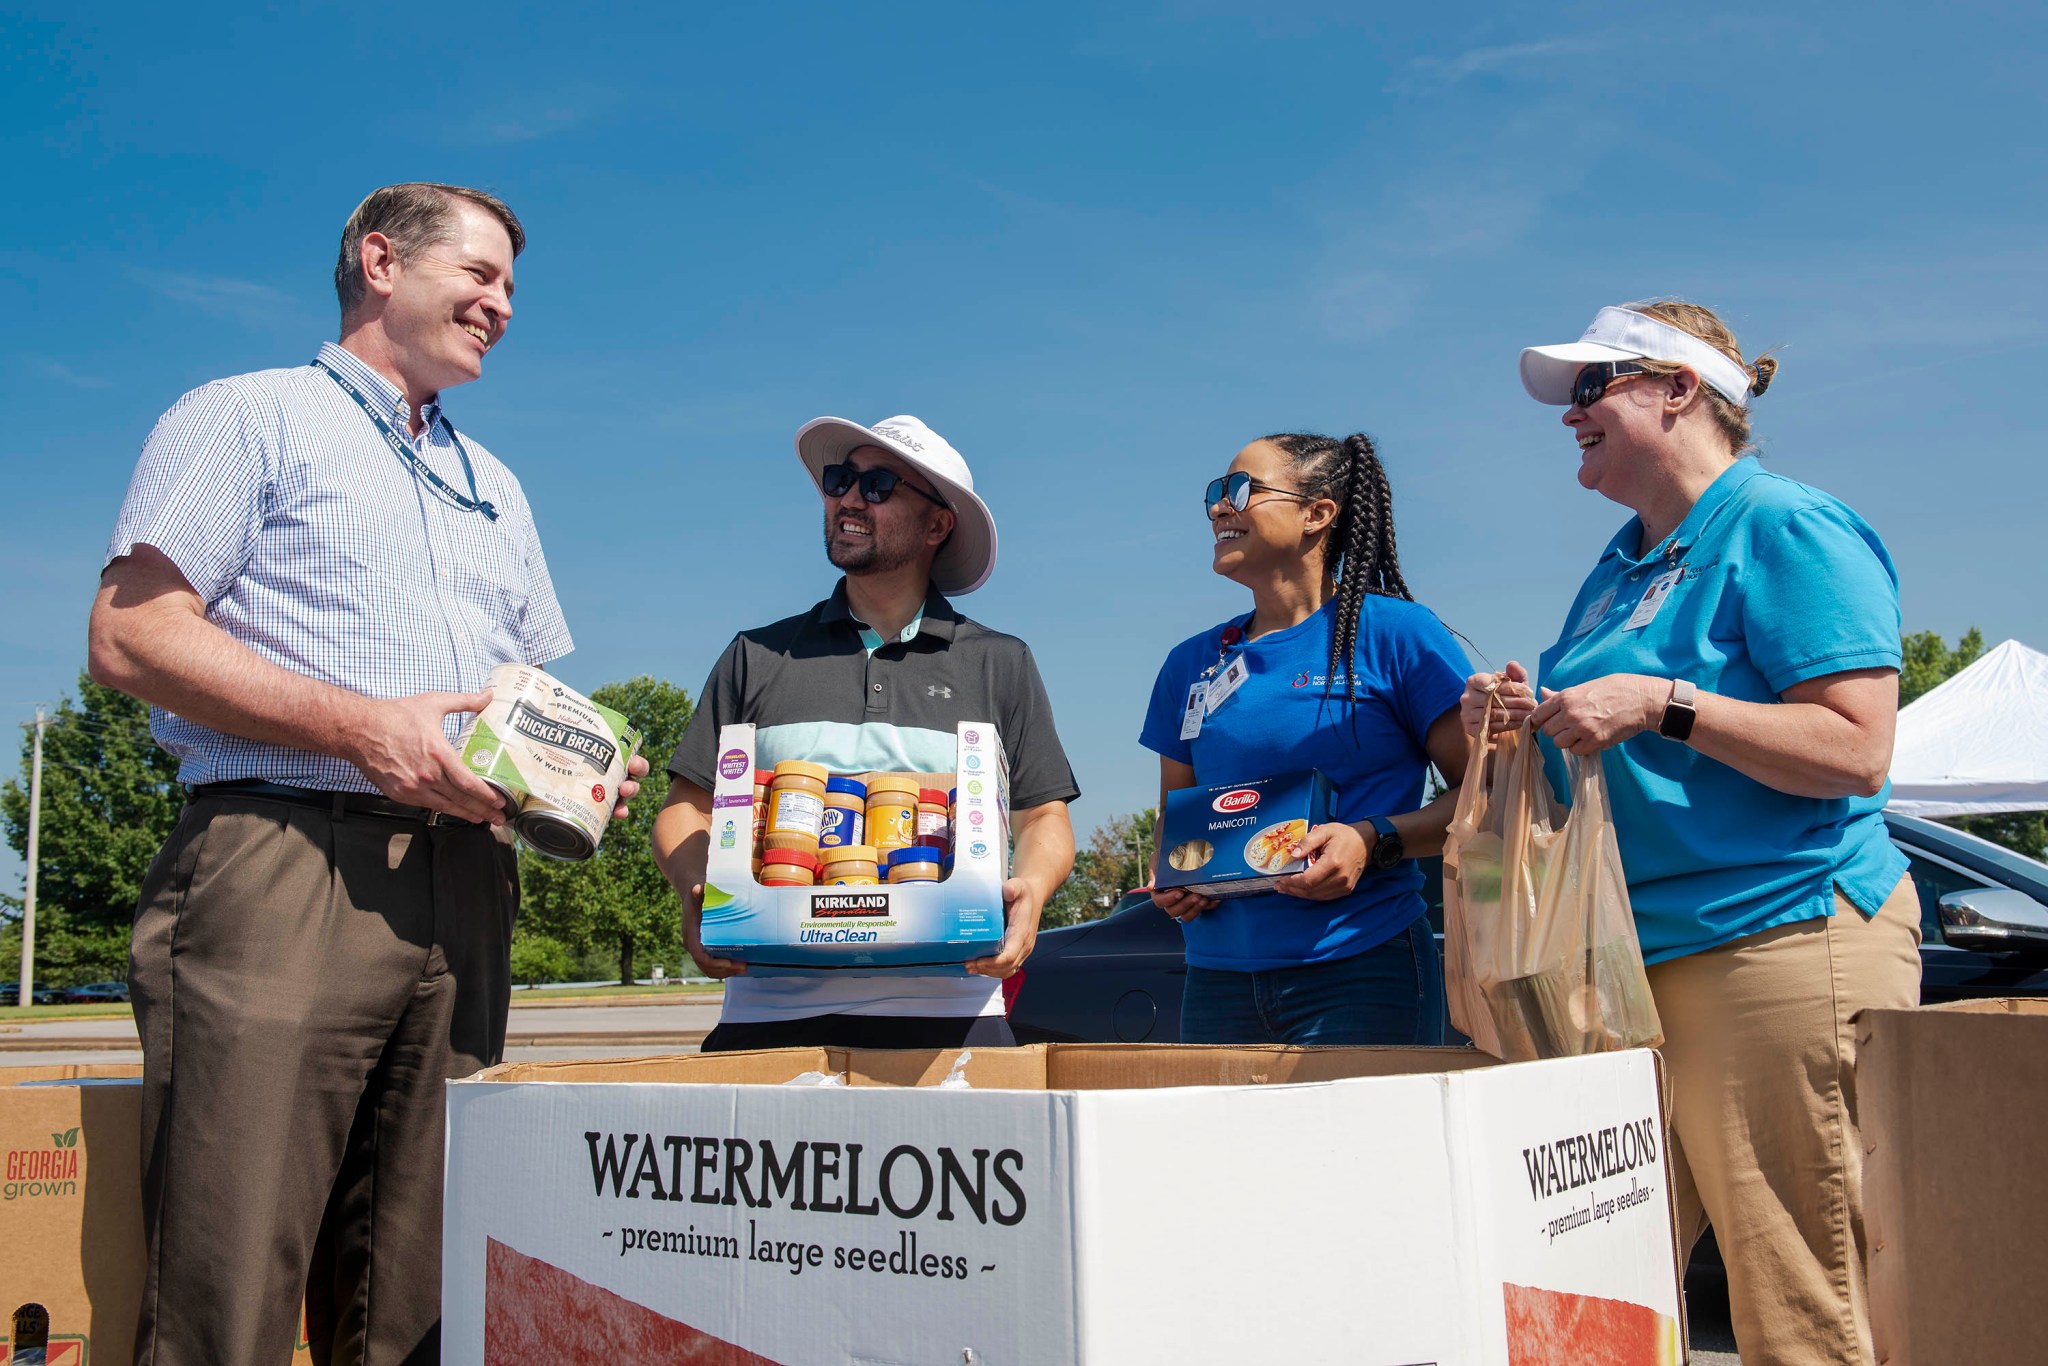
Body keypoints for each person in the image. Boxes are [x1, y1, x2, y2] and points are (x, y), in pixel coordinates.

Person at [86, 183, 647, 1366]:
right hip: (287, 864)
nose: (501, 305)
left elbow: (523, 691)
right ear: (381, 262)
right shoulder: (246, 416)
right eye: (481, 275)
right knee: (227, 1282)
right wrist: (361, 729)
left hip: (465, 885)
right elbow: (133, 635)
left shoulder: (498, 484)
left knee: (421, 1292)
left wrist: (578, 768)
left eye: (509, 289)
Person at [1463, 300, 1919, 1365]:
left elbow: (1855, 749)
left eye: (1590, 387)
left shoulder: (1780, 523)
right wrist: (1522, 721)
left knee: (1796, 1300)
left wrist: (1657, 701)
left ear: (1677, 388)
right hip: (1627, 966)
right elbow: (1607, 738)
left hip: (1773, 938)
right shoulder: (1617, 567)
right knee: (1589, 1296)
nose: (1566, 413)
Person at [653, 415, 1078, 1049]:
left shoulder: (999, 662)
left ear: (938, 525)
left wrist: (1033, 892)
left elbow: (1043, 817)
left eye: (878, 484)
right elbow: (687, 808)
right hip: (768, 1011)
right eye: (838, 479)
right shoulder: (757, 655)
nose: (848, 499)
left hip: (953, 1011)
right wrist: (697, 891)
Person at [1141, 433, 1470, 1045]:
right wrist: (1175, 877)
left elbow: (1489, 797)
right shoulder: (1188, 664)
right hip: (1216, 981)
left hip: (1364, 967)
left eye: (1241, 490)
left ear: (1318, 513)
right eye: (1215, 492)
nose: (1219, 507)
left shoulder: (1396, 634)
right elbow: (1174, 820)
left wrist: (1372, 840)